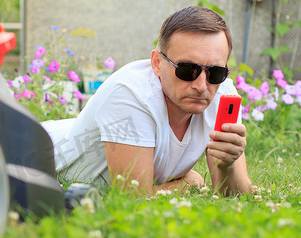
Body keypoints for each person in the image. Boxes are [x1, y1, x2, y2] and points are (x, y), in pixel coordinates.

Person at [42, 6, 253, 196]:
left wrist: (228, 165)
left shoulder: (223, 94)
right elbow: (134, 199)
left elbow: (235, 197)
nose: (201, 85)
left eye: (215, 72)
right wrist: (189, 183)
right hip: (32, 155)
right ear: (157, 63)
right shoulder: (129, 94)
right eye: (187, 69)